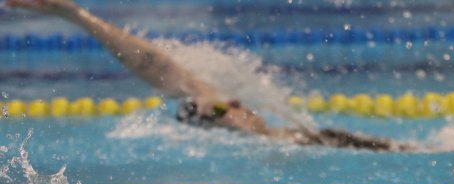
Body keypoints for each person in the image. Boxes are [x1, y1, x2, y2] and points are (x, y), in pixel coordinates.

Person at [7, 0, 416, 152]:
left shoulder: (290, 138)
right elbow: (160, 69)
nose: (236, 104)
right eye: (225, 110)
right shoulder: (263, 141)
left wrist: (76, 14)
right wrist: (75, 15)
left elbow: (170, 73)